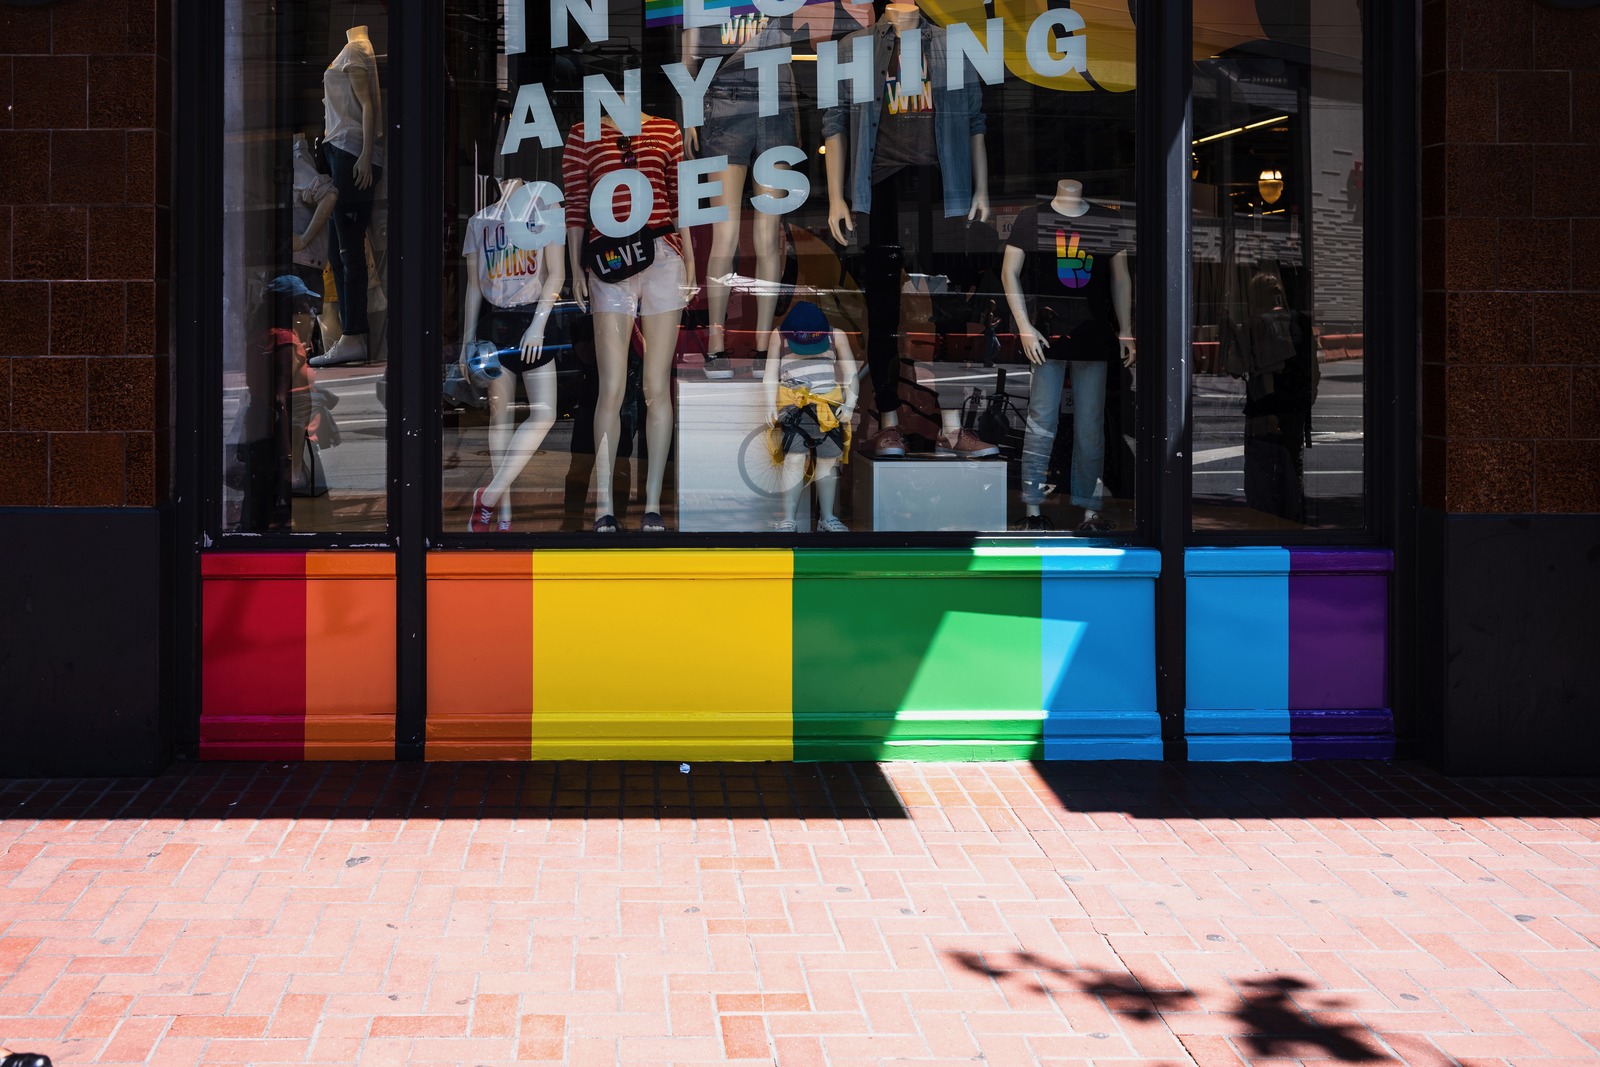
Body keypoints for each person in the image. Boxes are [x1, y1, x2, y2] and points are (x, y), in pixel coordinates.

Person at [563, 113, 697, 532]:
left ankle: (652, 505)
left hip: (663, 255)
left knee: (656, 387)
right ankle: (605, 506)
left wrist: (691, 262)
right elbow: (576, 205)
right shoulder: (582, 131)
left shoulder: (666, 129)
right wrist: (575, 268)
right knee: (612, 389)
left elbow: (679, 202)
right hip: (609, 262)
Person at [1000, 178, 1134, 534]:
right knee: (1042, 420)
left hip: (1092, 334)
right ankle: (1032, 507)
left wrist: (1125, 329)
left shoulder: (1107, 219)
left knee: (1089, 426)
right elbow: (1008, 272)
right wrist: (1025, 325)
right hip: (1047, 333)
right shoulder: (1033, 217)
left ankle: (1089, 509)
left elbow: (1121, 278)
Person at [460, 179, 566, 533]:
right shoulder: (480, 222)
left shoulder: (545, 215)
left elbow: (557, 275)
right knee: (499, 418)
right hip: (497, 325)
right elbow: (474, 287)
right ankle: (501, 513)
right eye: (505, 179)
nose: (511, 186)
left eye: (518, 180)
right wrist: (466, 341)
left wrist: (538, 325)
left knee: (545, 414)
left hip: (533, 321)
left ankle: (488, 497)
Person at [762, 301, 859, 532]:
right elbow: (770, 373)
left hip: (829, 407)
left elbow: (851, 372)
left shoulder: (836, 336)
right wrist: (769, 403)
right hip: (795, 407)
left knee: (827, 462)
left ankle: (827, 517)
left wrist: (850, 404)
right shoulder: (780, 335)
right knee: (794, 458)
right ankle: (789, 519)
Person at [234, 275, 321, 530]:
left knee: (258, 499)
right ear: (291, 305)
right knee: (278, 502)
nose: (308, 306)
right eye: (304, 300)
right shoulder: (285, 341)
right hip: (282, 432)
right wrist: (287, 455)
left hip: (260, 424)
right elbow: (280, 399)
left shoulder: (262, 335)